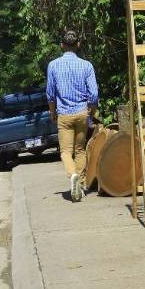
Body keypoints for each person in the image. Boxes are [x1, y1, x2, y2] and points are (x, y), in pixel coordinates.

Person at [46, 30, 99, 201]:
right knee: (80, 150)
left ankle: (73, 175)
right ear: (78, 44)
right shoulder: (87, 65)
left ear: (62, 45)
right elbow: (94, 94)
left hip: (64, 115)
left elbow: (50, 94)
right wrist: (91, 111)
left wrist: (52, 112)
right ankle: (81, 185)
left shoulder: (53, 65)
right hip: (82, 113)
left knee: (66, 152)